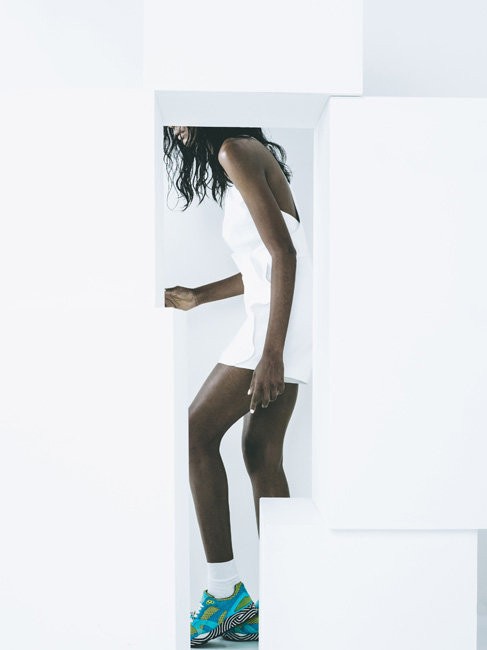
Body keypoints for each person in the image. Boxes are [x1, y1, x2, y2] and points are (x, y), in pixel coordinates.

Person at [163, 126, 312, 646]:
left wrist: (272, 352)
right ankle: (293, 602)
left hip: (273, 327)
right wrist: (199, 296)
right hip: (286, 321)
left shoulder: (235, 151)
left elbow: (286, 255)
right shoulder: (246, 154)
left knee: (194, 433)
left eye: (184, 116)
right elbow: (265, 264)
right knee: (260, 453)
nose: (177, 128)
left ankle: (225, 597)